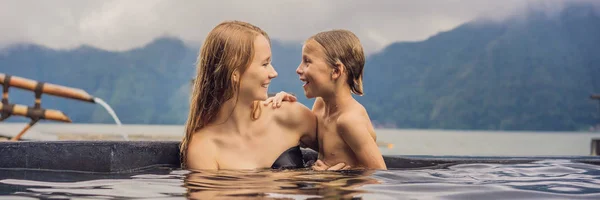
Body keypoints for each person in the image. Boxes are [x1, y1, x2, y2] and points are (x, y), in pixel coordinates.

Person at [179, 20, 349, 170]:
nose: (273, 72)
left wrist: (330, 184)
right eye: (265, 64)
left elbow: (352, 153)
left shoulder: (288, 114)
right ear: (235, 73)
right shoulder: (203, 149)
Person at [265, 30, 387, 170]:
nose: (298, 69)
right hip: (324, 186)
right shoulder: (320, 104)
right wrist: (285, 105)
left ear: (336, 71)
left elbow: (379, 173)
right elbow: (310, 140)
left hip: (341, 189)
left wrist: (344, 175)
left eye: (307, 62)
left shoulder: (349, 121)